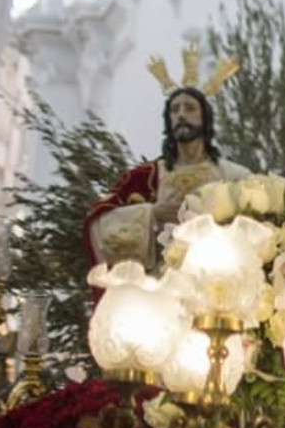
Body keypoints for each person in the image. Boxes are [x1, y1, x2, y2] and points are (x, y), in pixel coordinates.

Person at [84, 54, 246, 271]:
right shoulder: (145, 178)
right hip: (159, 284)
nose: (181, 115)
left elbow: (254, 228)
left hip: (216, 278)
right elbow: (99, 224)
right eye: (175, 109)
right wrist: (151, 214)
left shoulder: (234, 175)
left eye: (189, 108)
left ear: (205, 117)